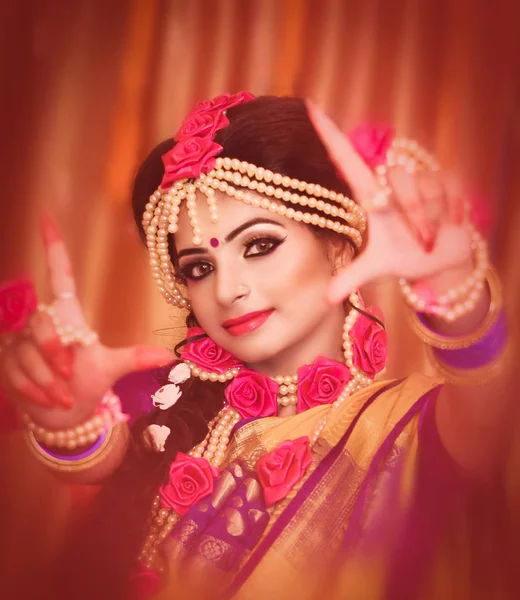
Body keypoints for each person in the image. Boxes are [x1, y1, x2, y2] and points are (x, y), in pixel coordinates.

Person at [0, 93, 514, 600]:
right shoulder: (167, 403)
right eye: (199, 268)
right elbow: (99, 452)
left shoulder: (409, 425)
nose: (226, 291)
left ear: (336, 244)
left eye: (260, 245)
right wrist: (67, 422)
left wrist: (451, 287)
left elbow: (492, 407)